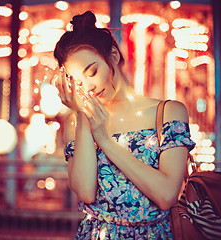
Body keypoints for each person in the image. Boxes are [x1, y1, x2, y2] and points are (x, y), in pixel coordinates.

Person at [53, 11, 196, 239]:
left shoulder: (168, 112)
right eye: (79, 82)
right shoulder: (82, 122)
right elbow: (86, 193)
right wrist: (82, 114)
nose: (88, 87)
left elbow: (167, 195)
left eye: (93, 71)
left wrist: (106, 142)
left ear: (113, 55)